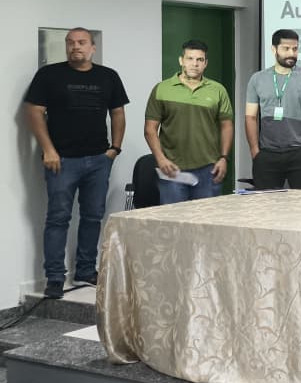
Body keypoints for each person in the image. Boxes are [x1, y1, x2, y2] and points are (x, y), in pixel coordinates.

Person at [23, 27, 128, 298]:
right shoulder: (49, 75)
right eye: (70, 43)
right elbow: (33, 112)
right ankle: (55, 278)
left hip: (98, 159)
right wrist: (48, 149)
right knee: (58, 218)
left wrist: (114, 149)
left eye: (81, 42)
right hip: (62, 161)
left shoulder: (108, 77)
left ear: (92, 47)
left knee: (93, 216)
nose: (75, 47)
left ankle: (85, 270)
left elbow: (118, 113)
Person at [144, 40, 234, 204]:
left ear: (205, 63)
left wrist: (223, 158)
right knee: (174, 223)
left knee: (206, 224)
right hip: (172, 169)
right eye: (190, 58)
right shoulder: (162, 89)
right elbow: (150, 129)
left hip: (209, 168)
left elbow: (227, 126)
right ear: (181, 60)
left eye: (199, 60)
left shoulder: (218, 90)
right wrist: (160, 159)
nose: (195, 64)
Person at [244, 29, 301, 190]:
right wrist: (255, 150)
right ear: (274, 49)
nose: (292, 53)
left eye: (295, 49)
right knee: (267, 206)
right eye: (286, 49)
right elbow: (250, 117)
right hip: (267, 154)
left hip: (300, 153)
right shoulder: (257, 79)